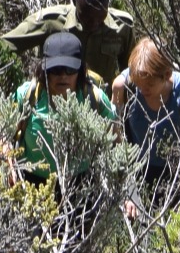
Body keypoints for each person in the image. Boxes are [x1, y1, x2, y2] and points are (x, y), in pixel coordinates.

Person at [8, 30, 117, 186]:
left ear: (80, 70)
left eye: (70, 69)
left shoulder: (95, 98)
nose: (63, 76)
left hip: (81, 184)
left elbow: (116, 140)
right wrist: (10, 167)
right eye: (56, 70)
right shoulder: (27, 96)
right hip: (32, 184)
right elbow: (4, 134)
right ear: (44, 69)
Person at [0, 0, 141, 87]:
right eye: (87, 17)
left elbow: (131, 70)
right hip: (56, 103)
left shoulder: (122, 26)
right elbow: (5, 45)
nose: (94, 23)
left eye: (100, 18)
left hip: (101, 106)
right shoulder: (51, 21)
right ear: (74, 2)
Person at [111, 36, 180, 196]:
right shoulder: (124, 87)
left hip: (174, 175)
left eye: (149, 84)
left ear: (166, 74)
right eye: (138, 83)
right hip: (135, 170)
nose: (142, 89)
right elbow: (114, 133)